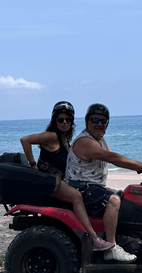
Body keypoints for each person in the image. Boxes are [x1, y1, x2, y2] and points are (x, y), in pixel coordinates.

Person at [65, 103, 142, 263]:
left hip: (92, 187)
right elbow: (111, 158)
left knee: (126, 196)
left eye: (103, 121)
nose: (99, 124)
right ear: (87, 121)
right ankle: (111, 247)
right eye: (95, 120)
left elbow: (112, 156)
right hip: (82, 189)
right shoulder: (85, 141)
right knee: (114, 200)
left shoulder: (99, 139)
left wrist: (139, 169)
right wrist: (140, 164)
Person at [20, 101, 114, 251]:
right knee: (76, 196)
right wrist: (33, 165)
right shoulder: (51, 136)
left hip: (57, 180)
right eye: (60, 119)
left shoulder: (63, 138)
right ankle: (94, 238)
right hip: (49, 181)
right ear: (54, 121)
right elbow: (25, 140)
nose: (64, 122)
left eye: (68, 120)